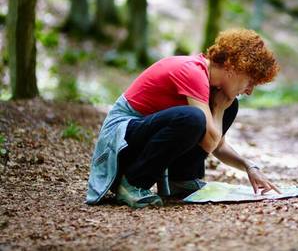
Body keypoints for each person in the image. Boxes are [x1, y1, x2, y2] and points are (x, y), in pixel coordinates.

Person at [86, 29, 281, 208]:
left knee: (224, 108)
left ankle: (182, 180)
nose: (249, 91)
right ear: (233, 67)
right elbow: (209, 141)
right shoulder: (193, 72)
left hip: (143, 136)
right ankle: (133, 183)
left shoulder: (211, 86)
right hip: (120, 140)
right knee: (193, 118)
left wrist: (249, 167)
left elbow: (218, 145)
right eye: (251, 81)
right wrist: (219, 110)